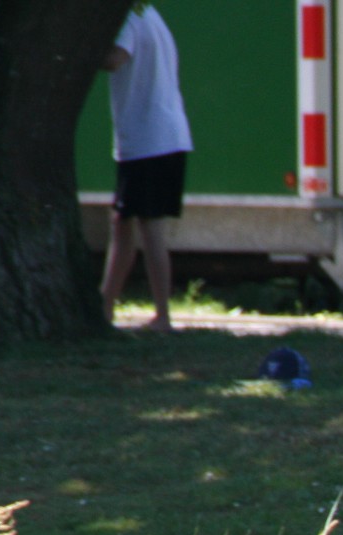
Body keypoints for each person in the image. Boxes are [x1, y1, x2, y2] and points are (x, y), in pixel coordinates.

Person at [100, 3, 193, 332]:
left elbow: (115, 59)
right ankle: (105, 306)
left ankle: (162, 316)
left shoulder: (126, 17)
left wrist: (76, 53)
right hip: (162, 135)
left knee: (148, 225)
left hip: (148, 138)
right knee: (123, 221)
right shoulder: (149, 14)